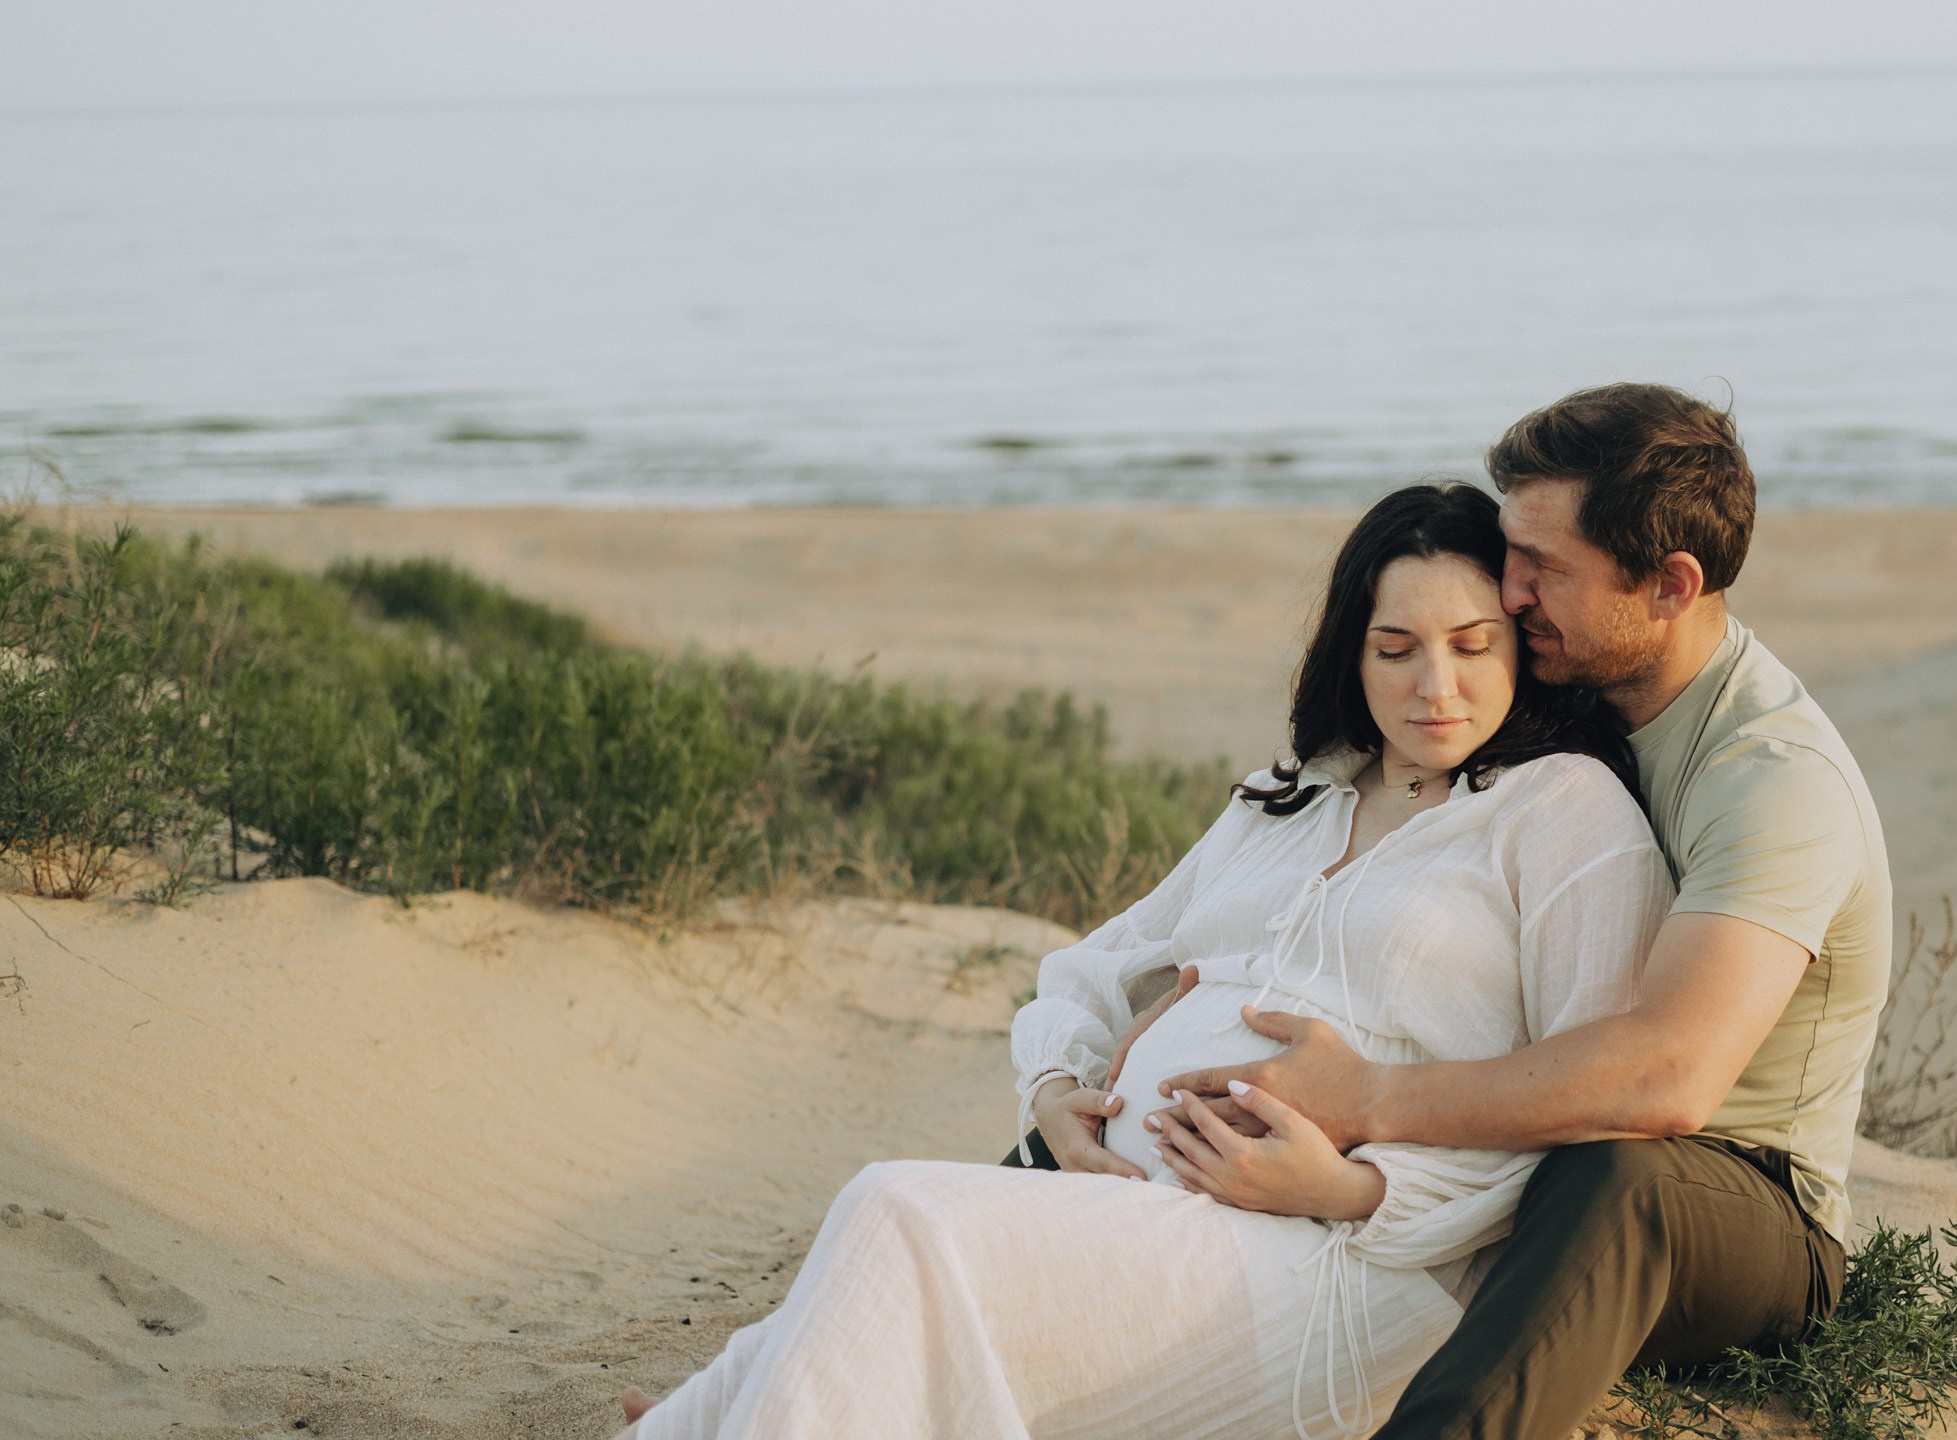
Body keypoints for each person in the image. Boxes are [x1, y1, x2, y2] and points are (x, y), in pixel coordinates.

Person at [615, 481, 1675, 1439]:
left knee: (892, 1210)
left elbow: (1578, 1097)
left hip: (1330, 1260)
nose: (1434, 685)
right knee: (875, 1276)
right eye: (1395, 649)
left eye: (1472, 645)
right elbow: (1103, 961)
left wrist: (1357, 1190)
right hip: (1132, 1203)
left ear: (1520, 643)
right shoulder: (1291, 795)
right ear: (1353, 658)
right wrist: (1056, 1090)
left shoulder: (1564, 813)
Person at [1146, 382, 1893, 1439]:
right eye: (1511, 551)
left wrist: (1365, 1099)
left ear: (1670, 585)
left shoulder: (1770, 780)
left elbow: (1667, 1079)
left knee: (1616, 1174)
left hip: (1734, 1207)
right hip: (1523, 1153)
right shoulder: (1570, 685)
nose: (1512, 590)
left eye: (1545, 566)